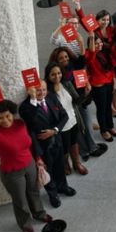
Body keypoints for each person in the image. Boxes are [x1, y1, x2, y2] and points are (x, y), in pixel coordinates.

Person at [0, 100, 52, 232]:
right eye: (0, 118)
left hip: (30, 165)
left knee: (34, 192)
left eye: (7, 116)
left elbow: (32, 133)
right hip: (12, 173)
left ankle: (39, 213)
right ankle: (25, 223)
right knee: (20, 200)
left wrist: (38, 159)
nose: (5, 120)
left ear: (13, 114)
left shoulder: (20, 124)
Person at [19, 80, 76, 208]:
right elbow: (31, 121)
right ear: (31, 90)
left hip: (56, 139)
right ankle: (53, 194)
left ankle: (63, 186)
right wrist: (33, 99)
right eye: (38, 90)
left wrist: (54, 130)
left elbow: (64, 115)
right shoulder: (26, 106)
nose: (42, 92)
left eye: (44, 89)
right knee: (47, 169)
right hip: (41, 145)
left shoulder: (51, 98)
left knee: (59, 165)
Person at [44, 62, 89, 176]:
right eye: (53, 74)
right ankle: (65, 164)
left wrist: (85, 93)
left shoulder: (67, 84)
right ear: (48, 76)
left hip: (73, 120)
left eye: (59, 73)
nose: (57, 76)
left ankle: (77, 163)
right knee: (64, 147)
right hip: (60, 125)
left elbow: (76, 101)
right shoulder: (47, 92)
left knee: (74, 143)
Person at [86, 32, 116, 142]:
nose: (99, 45)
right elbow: (91, 56)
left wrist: (114, 80)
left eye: (100, 42)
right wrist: (92, 41)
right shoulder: (89, 54)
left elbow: (111, 68)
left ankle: (110, 126)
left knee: (108, 107)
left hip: (108, 82)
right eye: (96, 44)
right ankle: (104, 130)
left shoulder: (104, 52)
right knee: (101, 109)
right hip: (98, 86)